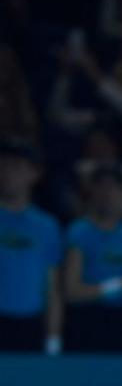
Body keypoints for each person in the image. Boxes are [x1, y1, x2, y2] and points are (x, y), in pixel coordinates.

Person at [63, 163, 122, 351]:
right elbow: (72, 292)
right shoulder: (79, 232)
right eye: (101, 186)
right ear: (92, 192)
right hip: (87, 322)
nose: (107, 193)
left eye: (114, 187)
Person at [0, 137, 62, 354]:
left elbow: (52, 287)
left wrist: (53, 339)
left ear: (34, 174)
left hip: (30, 325)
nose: (7, 173)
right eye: (3, 166)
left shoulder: (47, 226)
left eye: (16, 167)